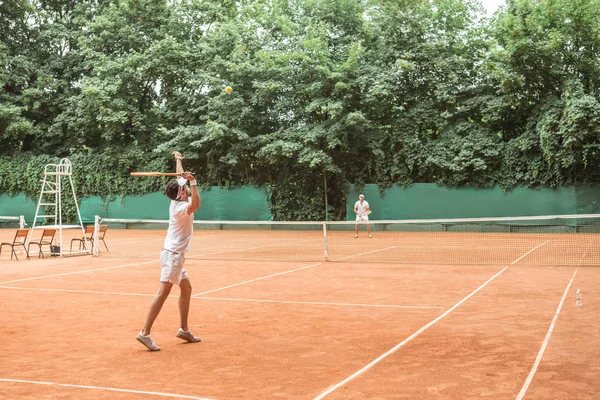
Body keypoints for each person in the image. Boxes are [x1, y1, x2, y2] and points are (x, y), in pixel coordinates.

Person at [136, 151, 202, 351]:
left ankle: (184, 329)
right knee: (163, 293)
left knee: (186, 288)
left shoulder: (176, 199)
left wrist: (179, 160)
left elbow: (179, 178)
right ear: (182, 193)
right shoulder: (182, 208)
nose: (186, 189)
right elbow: (197, 204)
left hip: (174, 256)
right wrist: (194, 182)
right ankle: (145, 333)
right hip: (172, 256)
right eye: (185, 188)